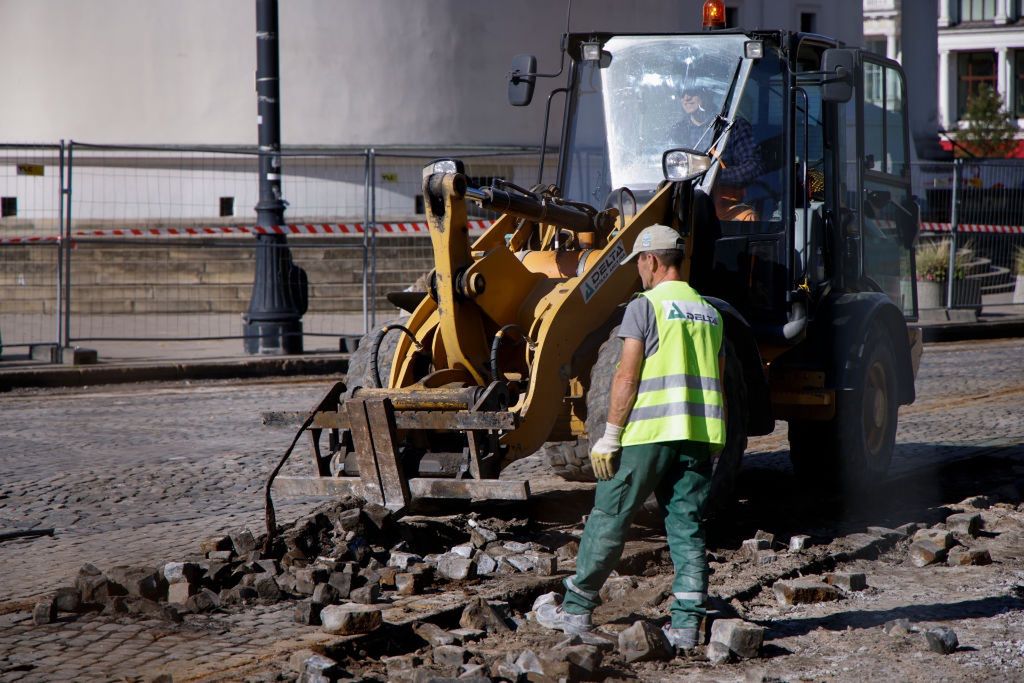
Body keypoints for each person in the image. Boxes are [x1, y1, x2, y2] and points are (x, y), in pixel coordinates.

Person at [535, 223, 727, 653]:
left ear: (652, 261)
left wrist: (609, 436)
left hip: (648, 434)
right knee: (686, 526)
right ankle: (686, 625)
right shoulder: (710, 312)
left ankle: (576, 608)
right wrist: (716, 439)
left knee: (610, 514)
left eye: (639, 263)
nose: (638, 272)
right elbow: (717, 382)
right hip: (698, 436)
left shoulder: (644, 307)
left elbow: (626, 376)